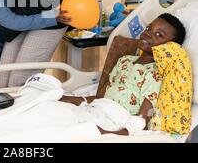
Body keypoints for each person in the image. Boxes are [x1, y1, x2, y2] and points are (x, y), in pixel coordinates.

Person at [60, 13, 192, 136]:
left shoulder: (155, 74)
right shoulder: (125, 60)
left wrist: (105, 134)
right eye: (148, 28)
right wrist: (70, 99)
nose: (148, 34)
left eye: (159, 34)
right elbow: (102, 96)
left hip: (116, 122)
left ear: (169, 47)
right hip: (96, 110)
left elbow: (142, 121)